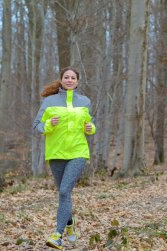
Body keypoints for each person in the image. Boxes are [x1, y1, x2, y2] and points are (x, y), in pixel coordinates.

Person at [33, 66, 96, 250]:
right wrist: (49, 125)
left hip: (78, 152)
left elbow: (90, 124)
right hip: (56, 153)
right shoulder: (49, 101)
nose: (69, 80)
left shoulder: (84, 101)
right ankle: (69, 223)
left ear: (78, 81)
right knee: (64, 193)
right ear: (61, 80)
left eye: (73, 78)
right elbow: (37, 125)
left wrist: (91, 128)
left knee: (63, 191)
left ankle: (57, 235)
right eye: (66, 77)